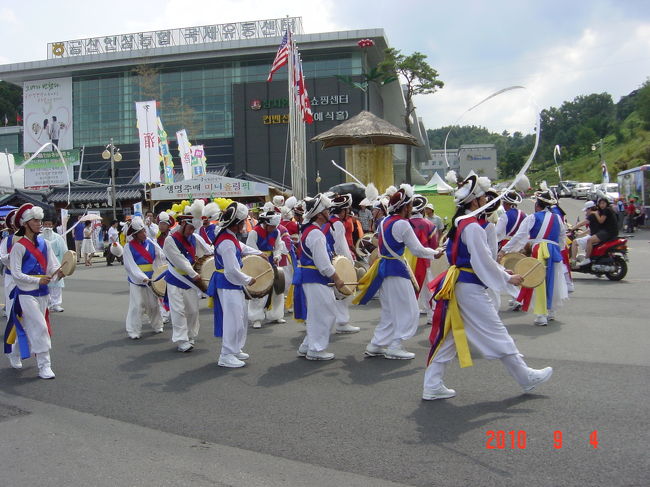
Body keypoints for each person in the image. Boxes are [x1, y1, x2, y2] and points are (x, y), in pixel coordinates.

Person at [422, 173, 553, 400]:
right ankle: (525, 377)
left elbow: (483, 260)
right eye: (483, 197)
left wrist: (503, 272)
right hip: (468, 287)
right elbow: (481, 261)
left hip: (459, 284)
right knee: (496, 331)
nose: (486, 201)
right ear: (475, 201)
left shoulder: (461, 222)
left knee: (450, 336)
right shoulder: (472, 226)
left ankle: (432, 385)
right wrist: (506, 279)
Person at [354, 185, 440, 360]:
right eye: (410, 205)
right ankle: (395, 345)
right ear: (405, 206)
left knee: (389, 311)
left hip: (384, 269)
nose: (411, 209)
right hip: (396, 270)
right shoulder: (402, 224)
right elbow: (417, 250)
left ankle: (376, 344)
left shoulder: (384, 221)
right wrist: (435, 253)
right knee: (409, 310)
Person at [4, 203, 64, 379]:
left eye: (40, 220)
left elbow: (53, 267)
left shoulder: (46, 244)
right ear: (26, 224)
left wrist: (59, 273)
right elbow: (16, 274)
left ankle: (14, 351)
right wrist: (37, 280)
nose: (40, 223)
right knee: (40, 326)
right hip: (25, 294)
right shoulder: (18, 246)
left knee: (25, 326)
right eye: (35, 221)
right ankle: (45, 365)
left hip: (43, 293)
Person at [500, 188, 568, 326]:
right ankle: (551, 311)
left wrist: (505, 250)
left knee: (538, 282)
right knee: (553, 281)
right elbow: (562, 236)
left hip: (539, 250)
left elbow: (520, 235)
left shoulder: (533, 217)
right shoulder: (557, 219)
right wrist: (558, 249)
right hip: (554, 250)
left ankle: (541, 315)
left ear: (537, 205)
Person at [208, 202, 263, 368]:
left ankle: (235, 348)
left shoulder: (229, 236)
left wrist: (258, 253)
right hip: (227, 283)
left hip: (231, 283)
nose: (244, 224)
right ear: (236, 223)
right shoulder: (226, 242)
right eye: (242, 222)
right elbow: (231, 270)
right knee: (232, 319)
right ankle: (226, 354)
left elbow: (242, 247)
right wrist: (248, 279)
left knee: (240, 317)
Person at [294, 194, 346, 360]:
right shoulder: (316, 234)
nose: (329, 212)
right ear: (318, 214)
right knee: (325, 313)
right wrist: (337, 278)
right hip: (316, 277)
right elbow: (323, 264)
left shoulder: (310, 230)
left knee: (318, 313)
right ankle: (316, 350)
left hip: (311, 277)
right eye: (326, 210)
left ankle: (307, 345)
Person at [162, 203, 213, 352]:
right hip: (176, 279)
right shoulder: (170, 240)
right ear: (183, 223)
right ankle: (181, 340)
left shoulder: (194, 237)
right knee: (178, 311)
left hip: (191, 279)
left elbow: (208, 250)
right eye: (190, 228)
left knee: (193, 311)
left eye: (193, 229)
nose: (191, 231)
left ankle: (190, 335)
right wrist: (194, 274)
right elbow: (180, 260)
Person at [322, 194, 360, 334]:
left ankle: (339, 321)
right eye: (347, 210)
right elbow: (341, 247)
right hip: (335, 260)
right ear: (342, 211)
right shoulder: (337, 223)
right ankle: (342, 322)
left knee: (336, 293)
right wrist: (349, 263)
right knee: (343, 292)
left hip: (328, 259)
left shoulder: (328, 221)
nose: (348, 213)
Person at [123, 216, 165, 339]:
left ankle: (158, 325)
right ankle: (133, 331)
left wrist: (161, 271)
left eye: (144, 231)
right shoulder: (128, 247)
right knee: (137, 305)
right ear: (135, 234)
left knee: (153, 304)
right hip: (137, 281)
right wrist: (141, 277)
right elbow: (130, 266)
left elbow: (160, 256)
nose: (144, 233)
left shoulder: (151, 242)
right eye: (142, 232)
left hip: (152, 279)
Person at [246, 210, 287, 329]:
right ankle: (256, 318)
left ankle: (276, 314)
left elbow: (278, 246)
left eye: (275, 226)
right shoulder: (254, 232)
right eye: (272, 226)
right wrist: (260, 256)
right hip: (258, 263)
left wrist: (277, 255)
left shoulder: (276, 231)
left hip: (272, 261)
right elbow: (249, 249)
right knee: (260, 290)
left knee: (278, 289)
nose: (274, 228)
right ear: (266, 223)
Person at [408, 195, 439, 319]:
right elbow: (434, 245)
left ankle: (410, 315)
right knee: (428, 289)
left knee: (410, 288)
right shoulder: (429, 225)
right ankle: (431, 315)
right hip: (424, 260)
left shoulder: (405, 223)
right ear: (422, 210)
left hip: (407, 259)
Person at [581, 197, 618, 266]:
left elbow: (601, 221)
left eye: (603, 203)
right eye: (600, 203)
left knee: (589, 240)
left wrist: (595, 213)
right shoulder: (608, 210)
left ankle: (587, 258)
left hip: (609, 232)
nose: (602, 205)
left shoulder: (606, 210)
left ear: (607, 203)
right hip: (610, 231)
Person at [42, 216, 68, 313]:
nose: (47, 227)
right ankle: (47, 304)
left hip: (56, 262)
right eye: (45, 224)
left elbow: (64, 251)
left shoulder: (58, 238)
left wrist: (63, 266)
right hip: (44, 263)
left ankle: (56, 304)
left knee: (57, 284)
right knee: (46, 283)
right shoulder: (39, 238)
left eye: (49, 224)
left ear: (52, 225)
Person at [0, 209, 17, 318]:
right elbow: (2, 257)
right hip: (11, 276)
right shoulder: (8, 240)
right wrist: (13, 255)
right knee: (12, 306)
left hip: (31, 278)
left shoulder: (37, 240)